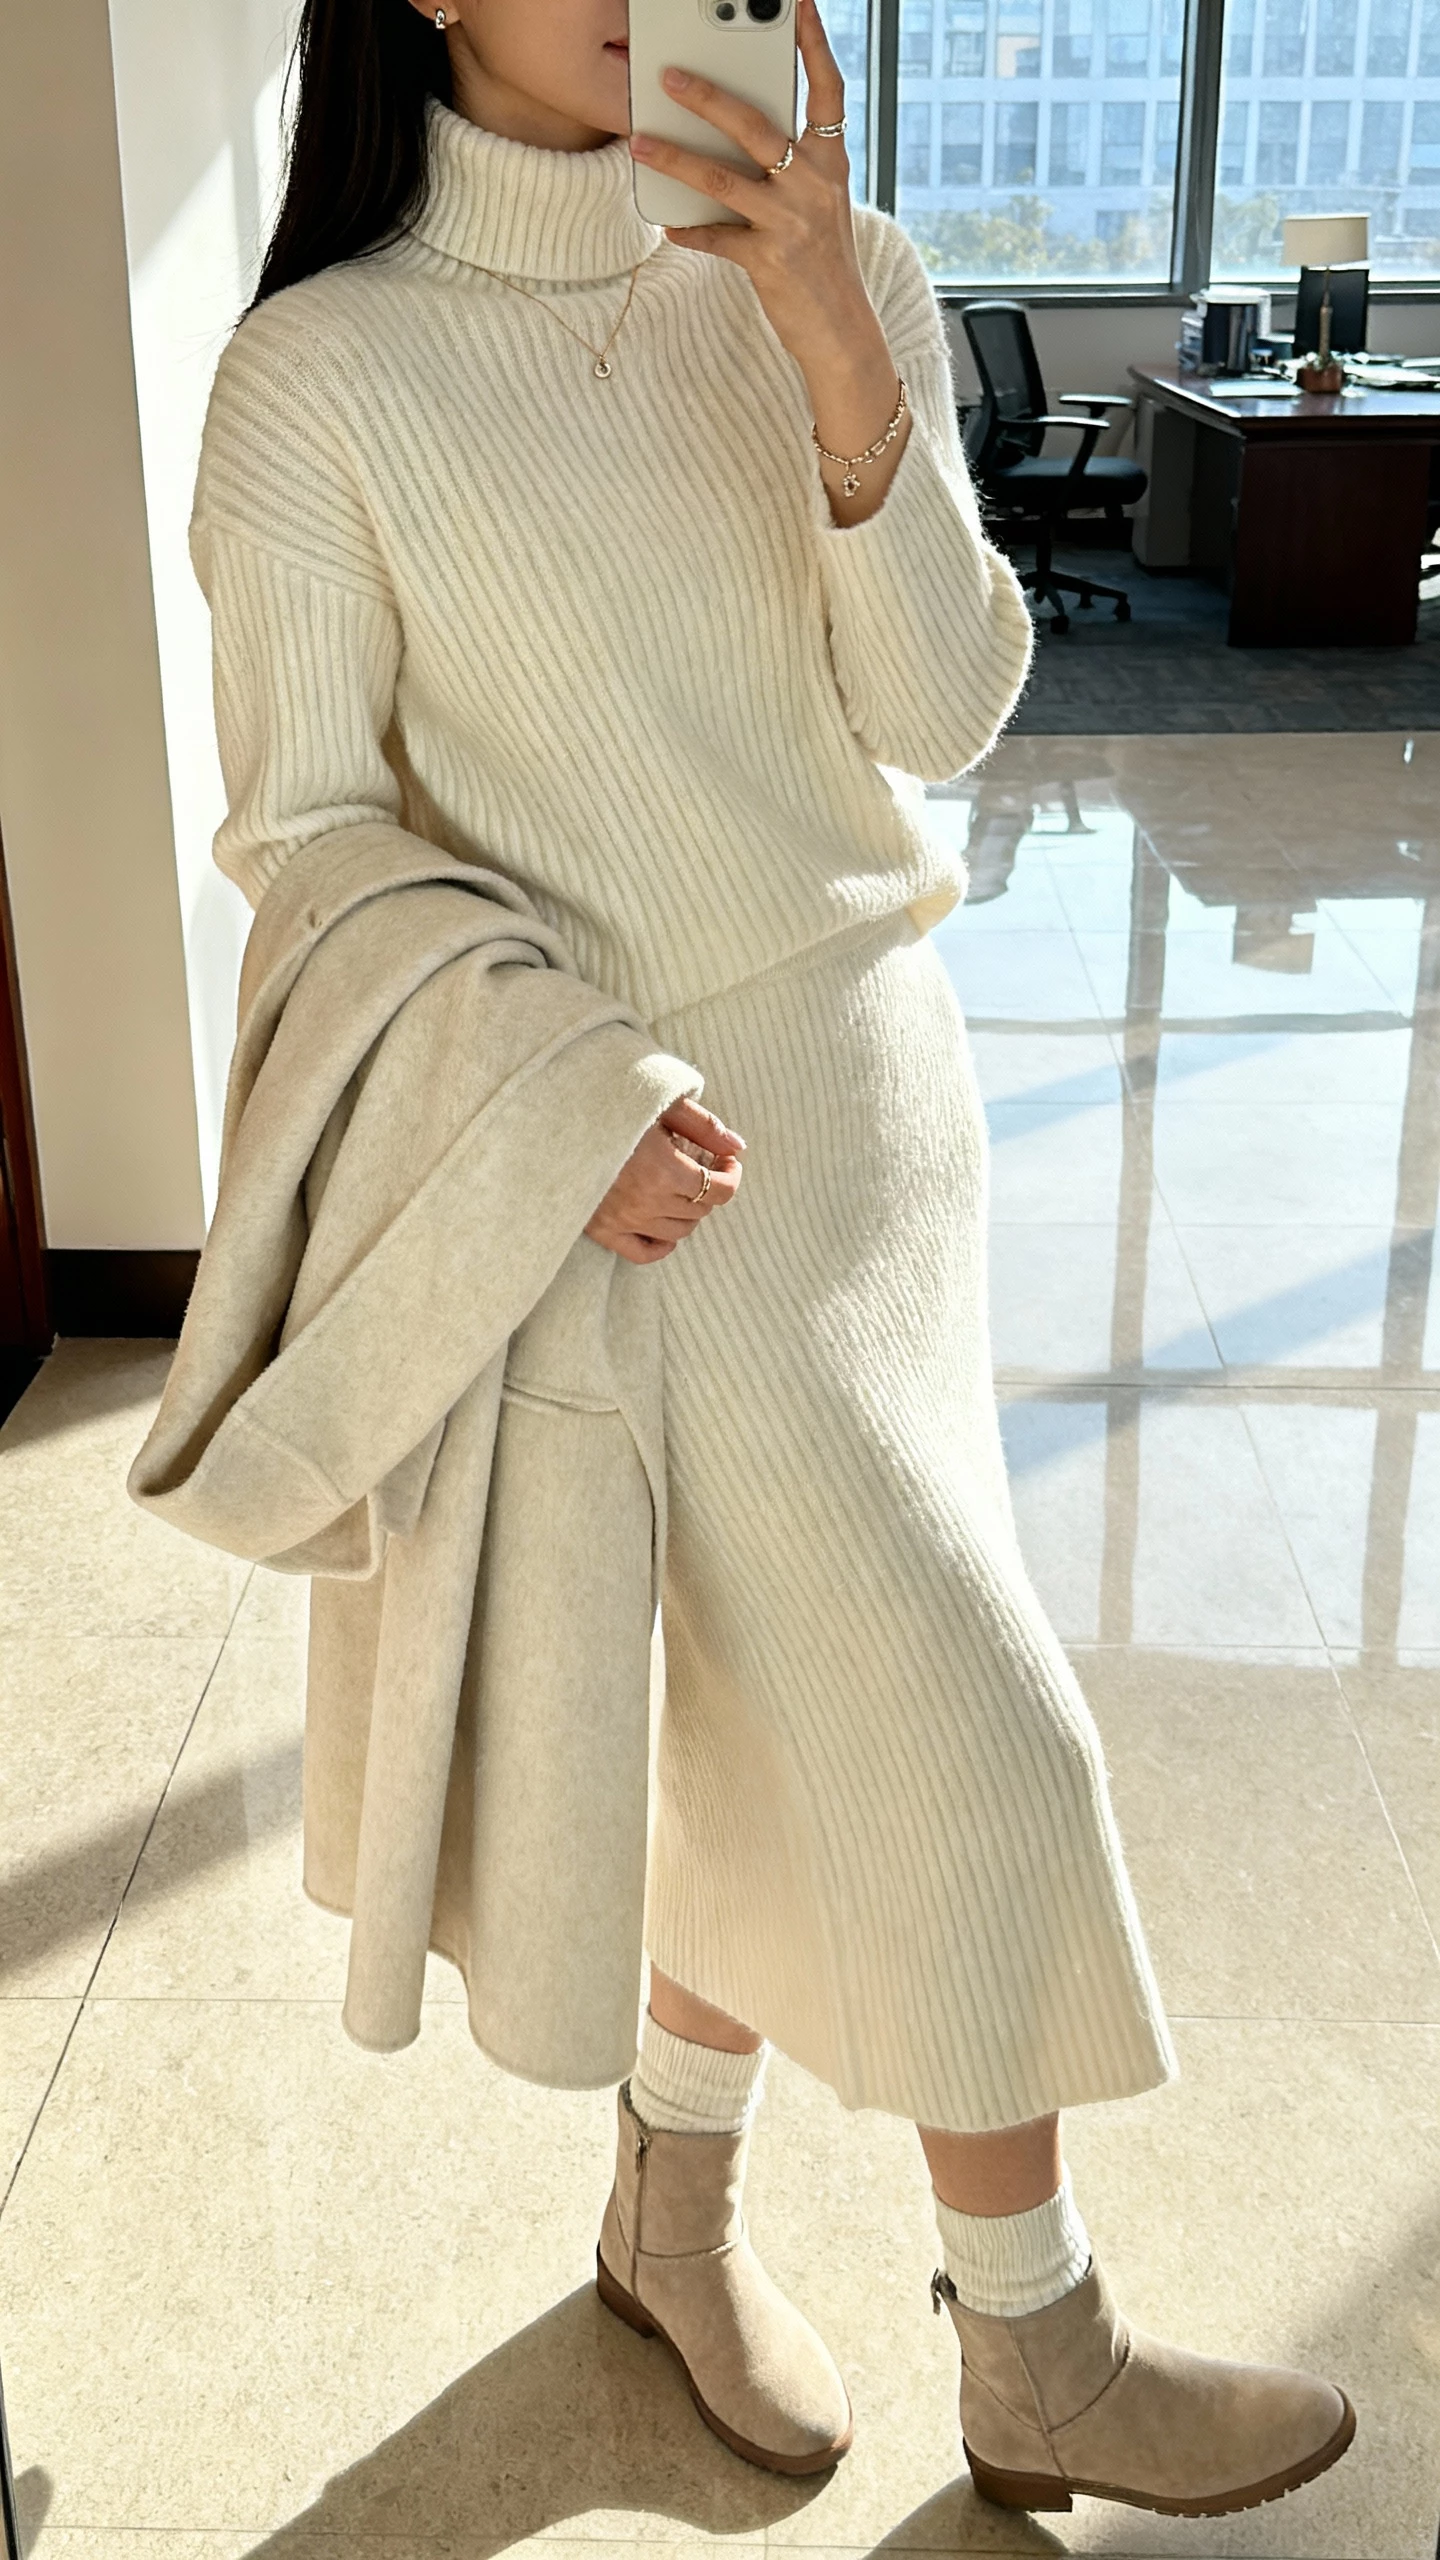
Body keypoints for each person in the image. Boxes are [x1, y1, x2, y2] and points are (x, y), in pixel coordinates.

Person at [191, 0, 1355, 2517]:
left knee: (769, 1711)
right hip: (640, 1163)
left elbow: (944, 707)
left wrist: (839, 343)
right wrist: (540, 1092)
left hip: (882, 1106)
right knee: (969, 1714)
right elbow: (301, 836)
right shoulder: (320, 375)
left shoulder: (839, 271)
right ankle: (1041, 2342)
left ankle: (669, 2208)